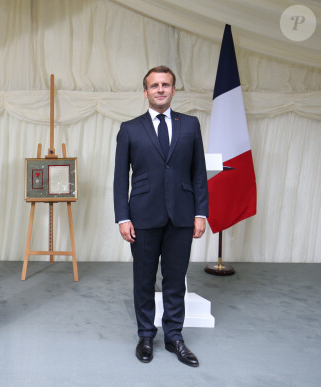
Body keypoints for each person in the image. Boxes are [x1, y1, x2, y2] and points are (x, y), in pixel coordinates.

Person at [113, 66, 208, 367]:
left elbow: (198, 174)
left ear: (173, 90)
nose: (160, 89)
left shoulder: (191, 125)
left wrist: (200, 212)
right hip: (142, 215)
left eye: (165, 84)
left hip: (181, 214)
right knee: (143, 279)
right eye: (154, 85)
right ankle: (145, 335)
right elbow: (119, 179)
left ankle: (174, 337)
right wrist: (122, 217)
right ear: (145, 92)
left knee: (175, 279)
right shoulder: (129, 129)